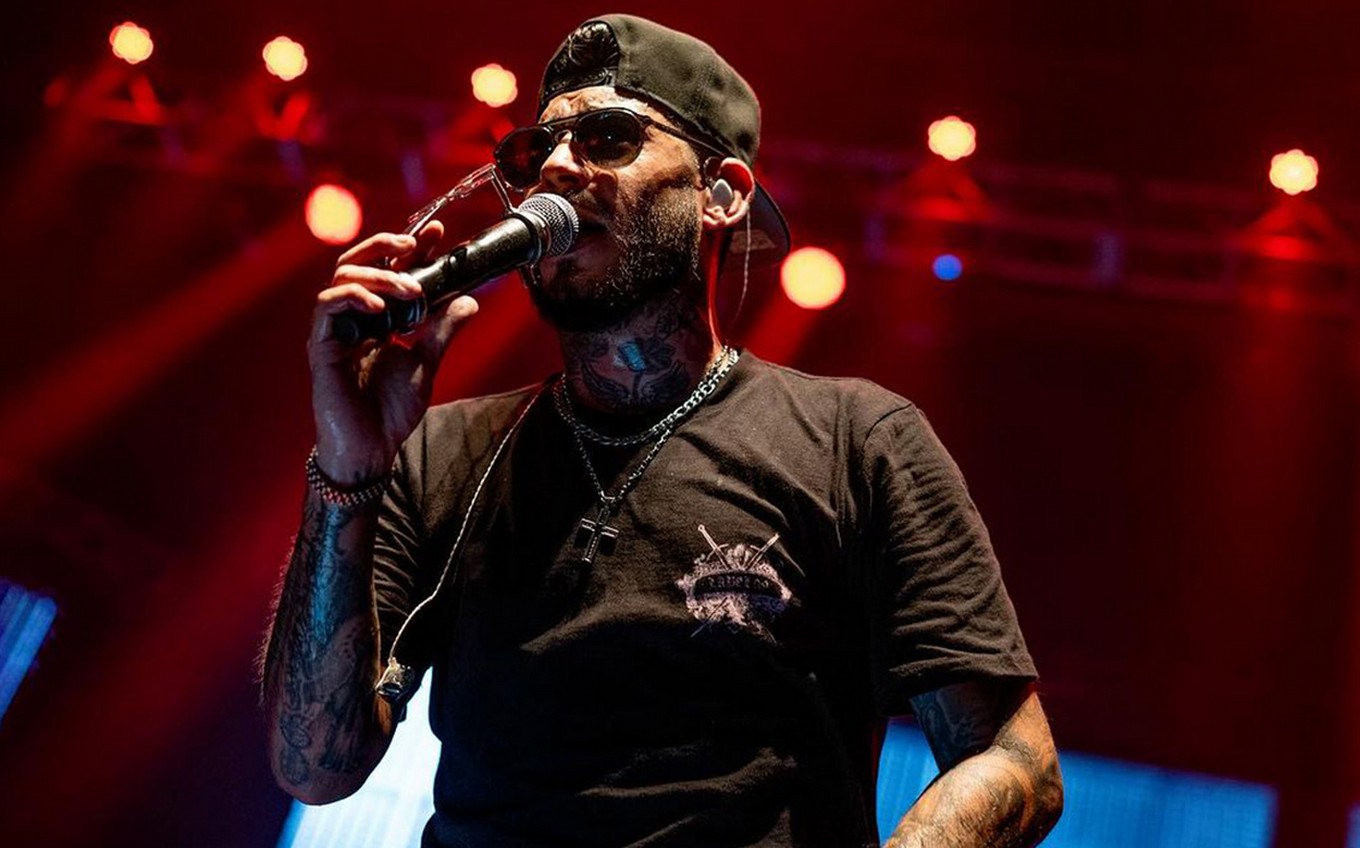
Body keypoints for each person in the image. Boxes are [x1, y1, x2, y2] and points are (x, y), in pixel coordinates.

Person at [261, 14, 1063, 848]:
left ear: (720, 194)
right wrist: (347, 471)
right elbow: (315, 764)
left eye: (609, 136)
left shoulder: (859, 442)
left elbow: (1012, 760)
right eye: (537, 152)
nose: (558, 167)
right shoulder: (443, 450)